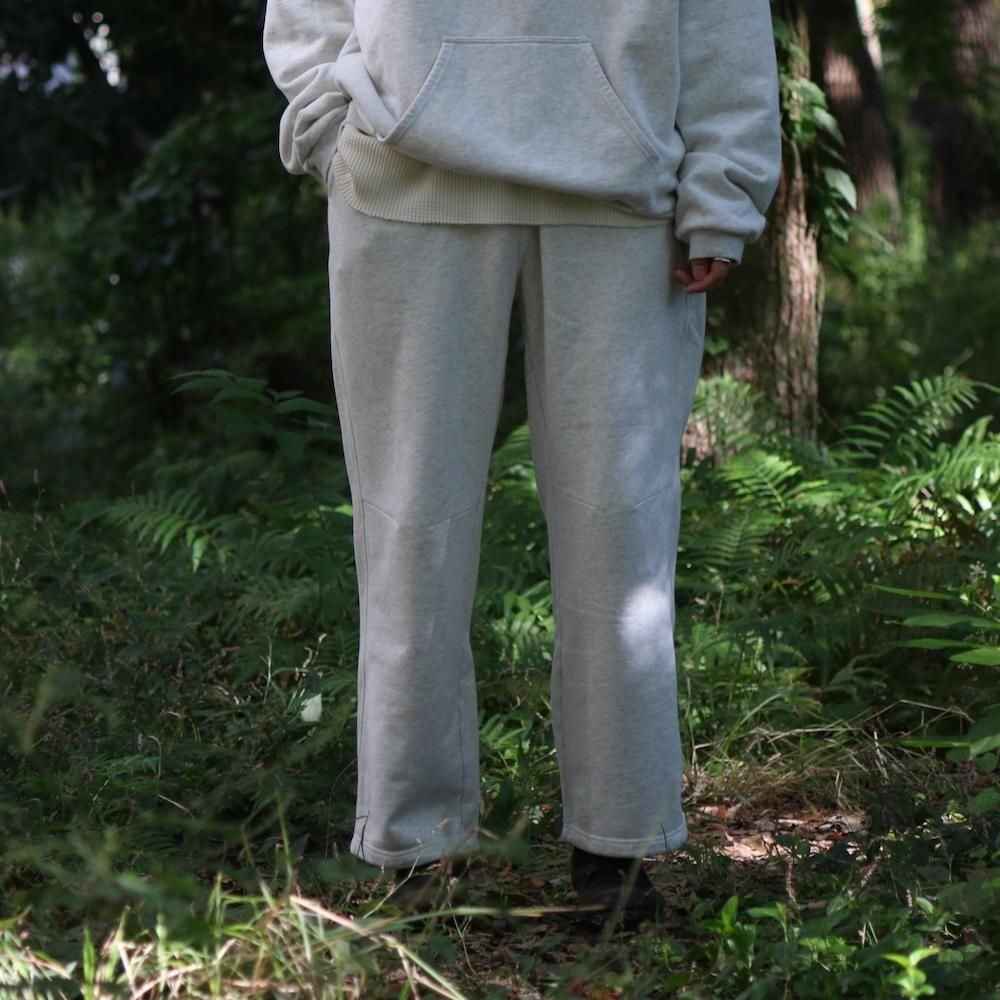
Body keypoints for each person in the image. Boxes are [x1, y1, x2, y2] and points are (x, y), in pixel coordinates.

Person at [263, 0, 782, 925]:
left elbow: (721, 16)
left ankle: (617, 853)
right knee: (409, 524)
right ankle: (413, 848)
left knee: (621, 530)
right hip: (402, 178)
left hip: (623, 195)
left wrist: (723, 188)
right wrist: (330, 126)